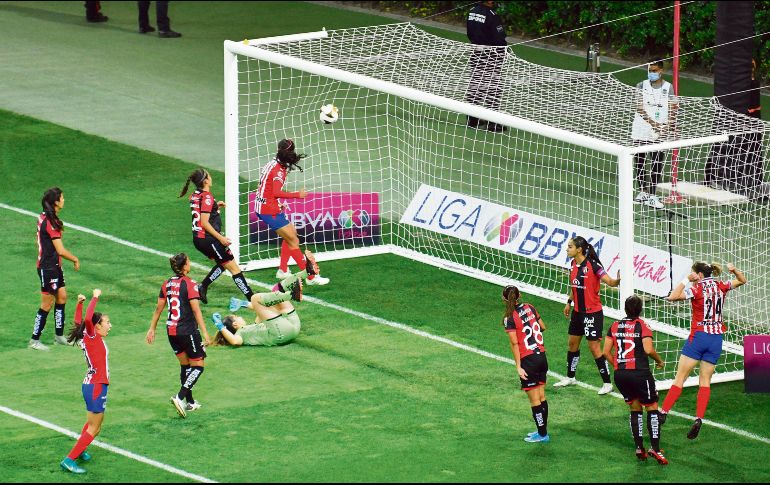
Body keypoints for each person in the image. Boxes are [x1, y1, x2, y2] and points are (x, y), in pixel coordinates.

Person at [660, 261, 746, 439]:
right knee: (705, 381)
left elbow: (673, 297)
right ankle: (699, 418)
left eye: (693, 273)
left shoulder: (697, 289)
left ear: (698, 274)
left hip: (699, 337)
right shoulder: (720, 285)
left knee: (680, 378)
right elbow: (742, 280)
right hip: (716, 339)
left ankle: (663, 412)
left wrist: (685, 279)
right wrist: (734, 270)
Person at [603, 295, 668, 465]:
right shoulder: (642, 325)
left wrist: (618, 365)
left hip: (621, 375)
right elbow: (648, 349)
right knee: (652, 408)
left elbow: (605, 353)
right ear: (640, 310)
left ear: (625, 309)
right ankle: (655, 448)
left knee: (635, 408)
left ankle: (639, 447)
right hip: (640, 374)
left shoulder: (614, 326)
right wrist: (659, 360)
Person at [255, 139, 329, 285]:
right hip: (268, 210)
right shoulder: (278, 171)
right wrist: (297, 195)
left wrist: (277, 203)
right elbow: (276, 191)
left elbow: (266, 188)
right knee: (293, 241)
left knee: (291, 234)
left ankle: (283, 270)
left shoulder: (272, 163)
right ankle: (311, 277)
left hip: (266, 205)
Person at [147, 253, 212, 418]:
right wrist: (205, 333)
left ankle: (190, 402)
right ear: (184, 266)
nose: (190, 264)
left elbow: (158, 308)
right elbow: (196, 310)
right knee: (198, 366)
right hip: (187, 330)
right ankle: (180, 396)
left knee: (185, 366)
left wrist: (152, 328)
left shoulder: (167, 284)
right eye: (189, 262)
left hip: (171, 332)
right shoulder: (190, 284)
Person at [179, 168, 257, 305]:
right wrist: (220, 238)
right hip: (209, 239)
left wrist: (215, 207)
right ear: (206, 180)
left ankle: (203, 287)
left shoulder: (195, 195)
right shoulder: (207, 197)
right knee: (234, 269)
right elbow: (204, 222)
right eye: (209, 175)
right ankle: (252, 298)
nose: (211, 176)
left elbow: (200, 211)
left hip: (199, 239)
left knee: (223, 263)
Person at [553, 236, 620, 394]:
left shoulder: (593, 265)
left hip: (592, 314)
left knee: (594, 348)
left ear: (579, 249)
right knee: (572, 344)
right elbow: (575, 285)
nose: (567, 249)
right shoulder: (573, 264)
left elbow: (609, 282)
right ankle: (570, 377)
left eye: (570, 247)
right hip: (577, 313)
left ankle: (607, 383)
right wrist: (569, 302)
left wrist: (618, 280)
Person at [59, 289, 109, 474]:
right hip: (96, 385)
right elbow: (87, 320)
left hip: (91, 384)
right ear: (97, 326)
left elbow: (79, 322)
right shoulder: (92, 336)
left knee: (92, 424)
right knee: (95, 428)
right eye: (107, 322)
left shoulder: (87, 336)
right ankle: (69, 459)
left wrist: (79, 303)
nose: (109, 326)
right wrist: (94, 297)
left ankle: (81, 450)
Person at [30, 187, 80, 351]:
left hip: (54, 266)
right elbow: (60, 250)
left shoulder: (46, 216)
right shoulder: (51, 223)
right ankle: (34, 340)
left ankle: (59, 336)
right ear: (56, 202)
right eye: (62, 198)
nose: (64, 200)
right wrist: (75, 259)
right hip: (48, 268)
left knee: (62, 297)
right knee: (47, 303)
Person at [502, 285, 550, 443]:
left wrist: (518, 366)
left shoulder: (509, 318)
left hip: (528, 360)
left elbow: (515, 344)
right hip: (541, 356)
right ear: (519, 296)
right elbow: (543, 327)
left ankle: (542, 435)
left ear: (504, 299)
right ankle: (542, 431)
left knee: (534, 400)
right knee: (542, 397)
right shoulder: (530, 307)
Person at [631, 59, 678, 210]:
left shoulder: (668, 87)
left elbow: (673, 107)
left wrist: (669, 124)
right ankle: (642, 192)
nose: (652, 73)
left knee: (657, 163)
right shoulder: (640, 85)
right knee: (639, 162)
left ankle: (652, 195)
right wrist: (654, 124)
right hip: (641, 129)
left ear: (661, 71)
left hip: (659, 133)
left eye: (654, 70)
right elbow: (639, 107)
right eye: (650, 70)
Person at [211, 275, 304, 347]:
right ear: (234, 324)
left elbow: (262, 307)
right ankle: (291, 295)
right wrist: (220, 326)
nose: (240, 316)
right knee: (254, 298)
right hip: (282, 334)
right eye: (236, 317)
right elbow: (235, 341)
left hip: (293, 327)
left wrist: (243, 304)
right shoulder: (241, 333)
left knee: (275, 291)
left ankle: (305, 273)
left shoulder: (253, 326)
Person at [466, 0, 508, 132]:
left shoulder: (471, 12)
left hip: (477, 52)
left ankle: (472, 118)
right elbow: (499, 39)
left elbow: (469, 33)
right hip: (492, 55)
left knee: (476, 84)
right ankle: (492, 123)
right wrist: (503, 51)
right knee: (493, 88)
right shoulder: (492, 15)